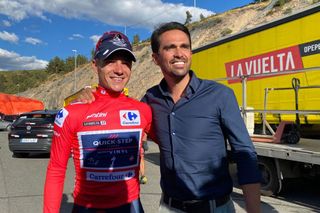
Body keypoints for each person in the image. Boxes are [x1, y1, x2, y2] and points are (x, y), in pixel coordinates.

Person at [70, 22, 262, 213]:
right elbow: (115, 111)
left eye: (184, 46)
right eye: (170, 48)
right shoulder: (149, 100)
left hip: (215, 208)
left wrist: (254, 210)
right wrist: (87, 94)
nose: (179, 53)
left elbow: (245, 154)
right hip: (169, 207)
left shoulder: (220, 95)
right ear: (155, 58)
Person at [43, 31, 152, 213]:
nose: (119, 69)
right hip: (87, 207)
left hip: (131, 206)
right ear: (95, 65)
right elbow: (56, 170)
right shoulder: (72, 112)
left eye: (126, 62)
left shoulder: (142, 110)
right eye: (110, 61)